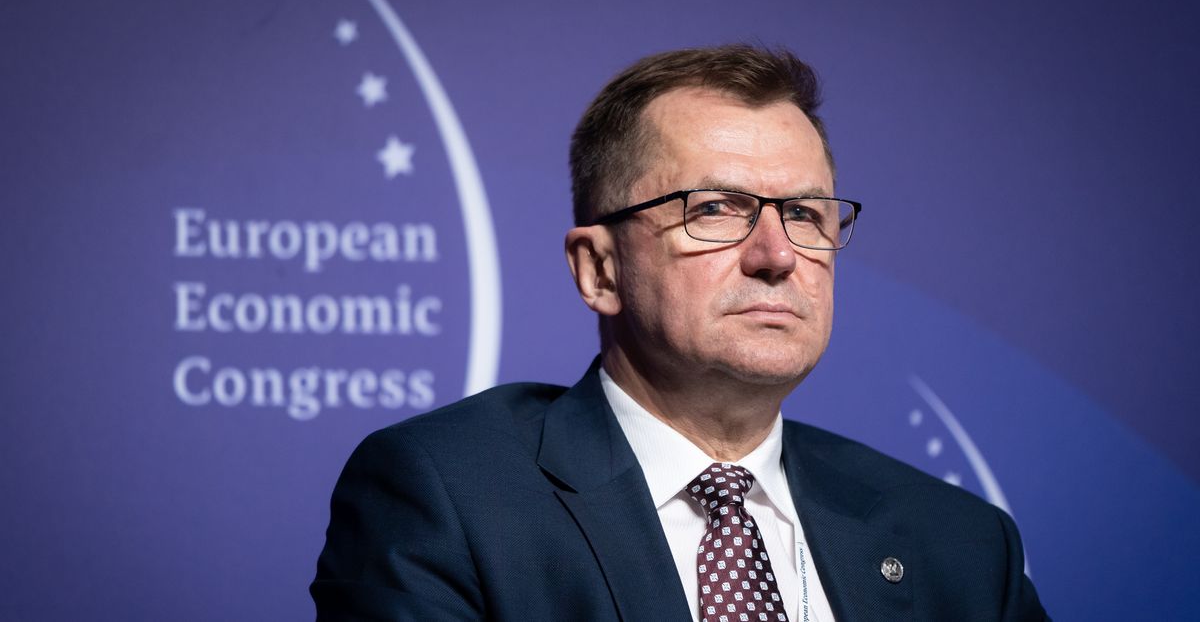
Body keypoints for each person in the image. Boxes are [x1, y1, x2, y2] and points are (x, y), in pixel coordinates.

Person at [311, 45, 1048, 621]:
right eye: (717, 210)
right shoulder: (450, 496)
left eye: (806, 214)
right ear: (599, 269)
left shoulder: (958, 543)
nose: (777, 254)